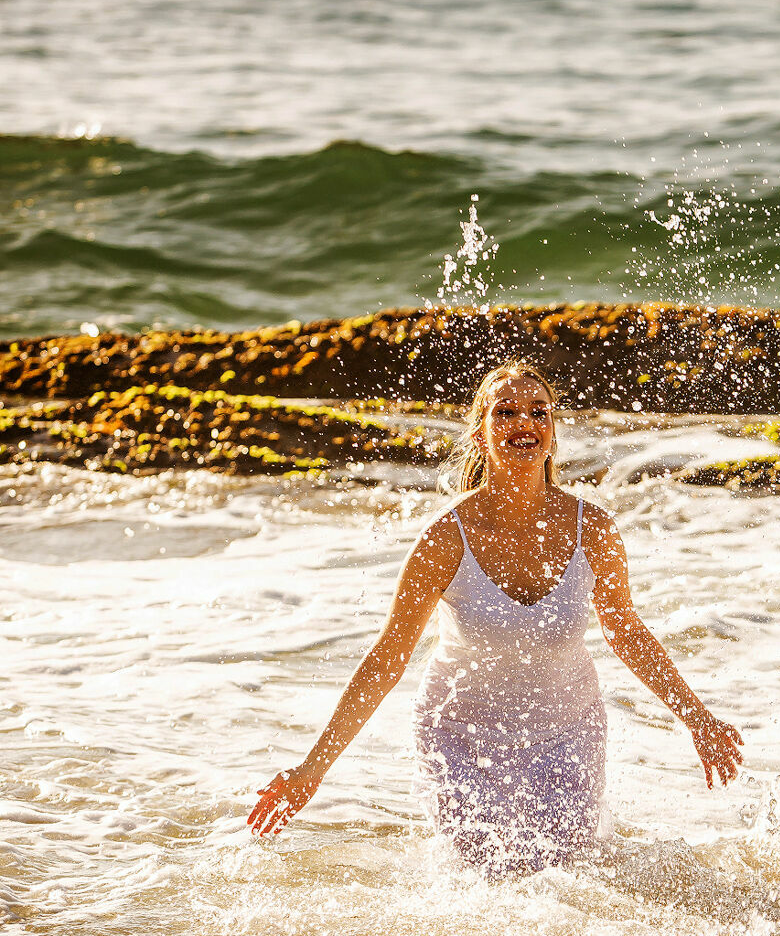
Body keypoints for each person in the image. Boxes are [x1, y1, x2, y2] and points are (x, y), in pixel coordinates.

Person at [248, 362, 744, 875]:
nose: (523, 422)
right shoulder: (444, 539)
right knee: (485, 881)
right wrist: (312, 768)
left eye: (538, 412)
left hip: (566, 733)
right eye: (505, 412)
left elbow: (627, 634)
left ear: (552, 433)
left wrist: (697, 720)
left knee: (563, 882)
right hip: (459, 736)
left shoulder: (592, 529)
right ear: (480, 434)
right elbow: (388, 658)